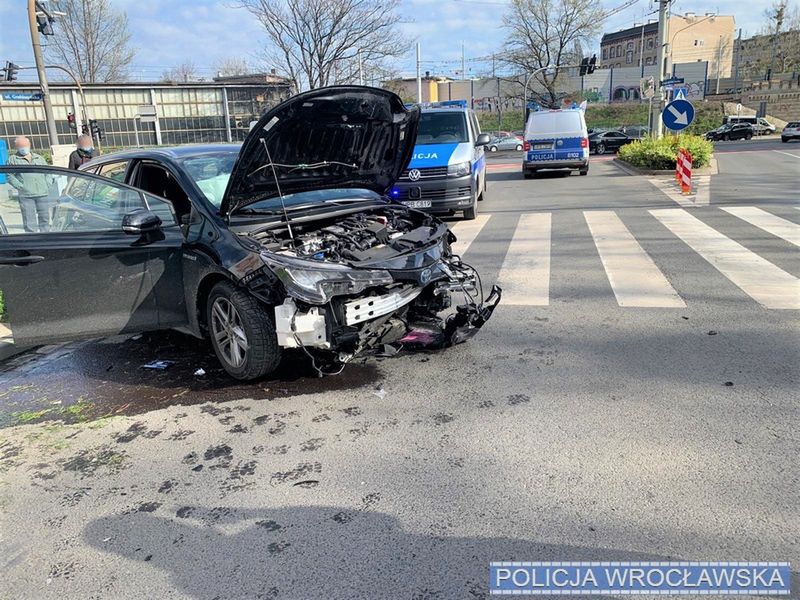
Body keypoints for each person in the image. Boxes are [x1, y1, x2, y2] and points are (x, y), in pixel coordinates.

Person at [6, 136, 54, 233]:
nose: (23, 147)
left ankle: (46, 237)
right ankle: (32, 239)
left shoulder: (39, 158)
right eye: (20, 146)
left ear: (29, 145)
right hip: (26, 195)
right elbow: (9, 176)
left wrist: (47, 184)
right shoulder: (13, 160)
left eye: (25, 145)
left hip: (42, 193)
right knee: (29, 220)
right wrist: (21, 186)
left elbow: (48, 172)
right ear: (16, 147)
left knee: (44, 218)